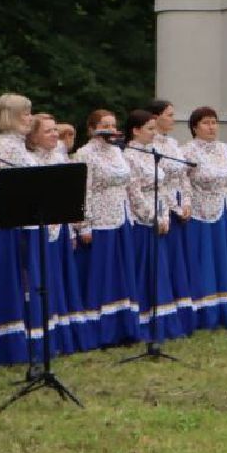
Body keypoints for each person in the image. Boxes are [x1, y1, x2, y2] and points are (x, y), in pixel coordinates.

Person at [25, 113, 97, 354]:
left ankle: (65, 334)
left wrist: (76, 228)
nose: (55, 134)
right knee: (44, 278)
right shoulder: (28, 159)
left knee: (61, 279)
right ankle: (45, 333)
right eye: (48, 131)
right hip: (40, 227)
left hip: (61, 226)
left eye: (55, 130)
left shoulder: (60, 156)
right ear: (33, 136)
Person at [72, 109, 143, 347]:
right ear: (92, 128)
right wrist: (84, 225)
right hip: (100, 220)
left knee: (122, 273)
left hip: (122, 216)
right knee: (103, 274)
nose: (111, 129)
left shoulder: (117, 152)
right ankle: (102, 331)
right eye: (105, 125)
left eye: (113, 125)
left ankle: (125, 326)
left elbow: (129, 185)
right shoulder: (84, 154)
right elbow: (82, 191)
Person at [122, 108, 188, 342]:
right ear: (135, 130)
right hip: (142, 219)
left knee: (160, 268)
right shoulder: (129, 156)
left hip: (159, 213)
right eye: (149, 129)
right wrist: (152, 217)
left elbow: (164, 185)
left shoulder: (152, 153)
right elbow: (134, 192)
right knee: (145, 268)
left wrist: (171, 211)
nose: (154, 133)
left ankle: (162, 320)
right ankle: (143, 321)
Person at [0, 93, 35, 366]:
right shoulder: (4, 146)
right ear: (10, 117)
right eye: (25, 114)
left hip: (23, 219)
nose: (30, 118)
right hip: (9, 223)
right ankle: (8, 341)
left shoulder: (18, 145)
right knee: (10, 281)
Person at [181, 105, 227, 329]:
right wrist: (187, 205)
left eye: (214, 122)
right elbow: (183, 182)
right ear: (195, 127)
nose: (211, 127)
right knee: (206, 260)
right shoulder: (186, 151)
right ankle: (206, 311)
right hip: (202, 214)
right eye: (206, 123)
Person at [145, 99, 198, 331]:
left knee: (179, 260)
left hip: (179, 202)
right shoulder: (148, 145)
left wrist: (186, 201)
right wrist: (172, 207)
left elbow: (183, 175)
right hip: (162, 205)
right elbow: (157, 181)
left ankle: (181, 308)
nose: (173, 119)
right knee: (165, 258)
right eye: (169, 115)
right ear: (155, 117)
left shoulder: (174, 144)